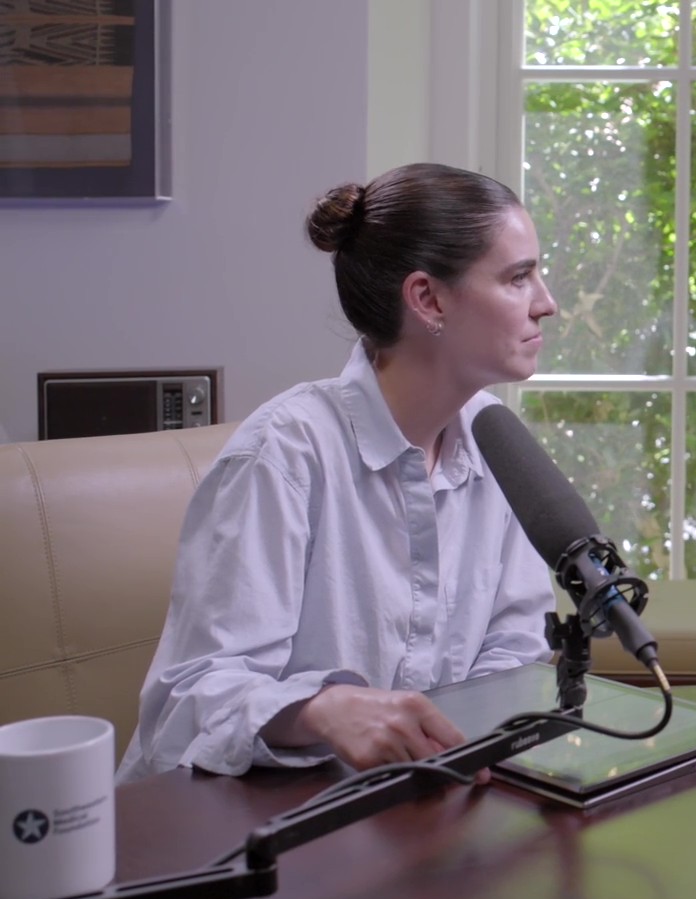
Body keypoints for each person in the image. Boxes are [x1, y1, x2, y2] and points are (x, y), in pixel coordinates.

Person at [117, 163, 560, 783]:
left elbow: (515, 648)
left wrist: (465, 743)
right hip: (229, 821)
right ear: (428, 299)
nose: (546, 303)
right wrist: (321, 710)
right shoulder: (284, 454)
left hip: (405, 813)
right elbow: (185, 706)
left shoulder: (496, 446)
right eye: (518, 277)